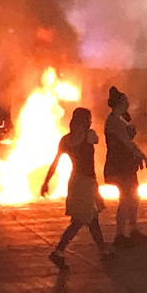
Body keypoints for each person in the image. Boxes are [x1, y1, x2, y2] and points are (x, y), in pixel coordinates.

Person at [41, 107, 111, 269]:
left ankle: (103, 251)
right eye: (89, 119)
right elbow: (97, 140)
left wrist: (46, 182)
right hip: (87, 182)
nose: (91, 122)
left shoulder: (66, 140)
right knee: (81, 219)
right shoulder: (89, 135)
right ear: (84, 121)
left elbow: (55, 163)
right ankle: (59, 251)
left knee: (91, 218)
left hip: (75, 182)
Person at [104, 86, 147, 247]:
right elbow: (128, 144)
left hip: (124, 165)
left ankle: (132, 230)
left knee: (132, 197)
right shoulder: (115, 122)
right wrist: (146, 159)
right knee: (126, 198)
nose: (128, 104)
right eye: (126, 101)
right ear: (120, 103)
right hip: (120, 166)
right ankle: (120, 235)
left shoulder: (117, 121)